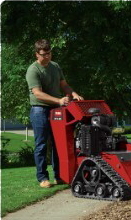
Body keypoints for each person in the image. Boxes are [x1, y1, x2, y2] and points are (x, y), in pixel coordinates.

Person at [26, 39, 83, 188]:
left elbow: (64, 85)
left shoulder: (55, 66)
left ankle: (59, 176)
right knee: (41, 145)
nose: (47, 57)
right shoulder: (33, 70)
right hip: (39, 109)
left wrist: (74, 93)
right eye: (44, 54)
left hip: (56, 110)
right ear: (36, 54)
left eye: (49, 53)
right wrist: (58, 101)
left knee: (59, 144)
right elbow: (38, 94)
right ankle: (42, 178)